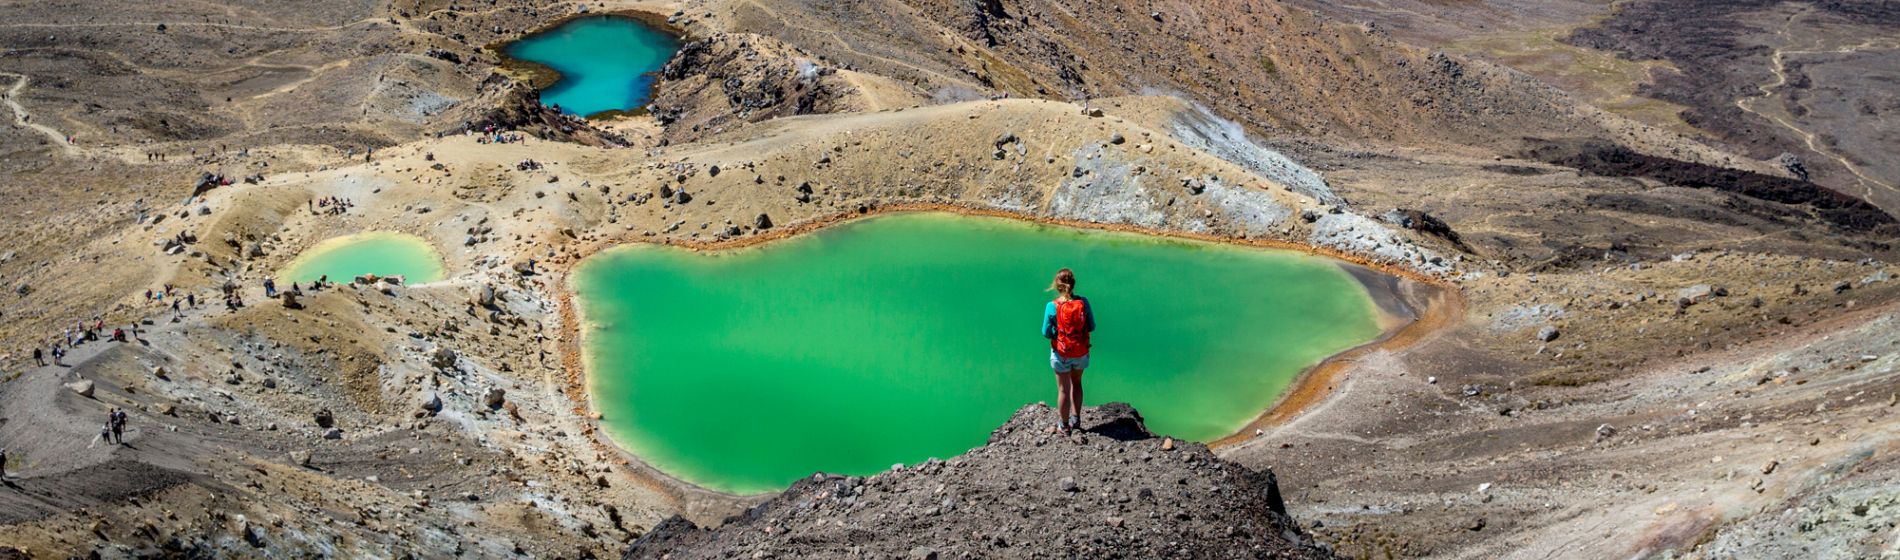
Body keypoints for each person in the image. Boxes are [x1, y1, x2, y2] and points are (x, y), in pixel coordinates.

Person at [1042, 268, 1095, 435]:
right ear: (1073, 284)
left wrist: (1058, 334)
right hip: (1080, 352)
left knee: (1063, 389)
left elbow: (1045, 332)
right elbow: (1092, 326)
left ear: (1057, 286)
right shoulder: (1083, 302)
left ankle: (1064, 426)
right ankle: (1076, 419)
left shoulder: (1052, 306)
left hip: (1061, 353)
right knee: (1077, 383)